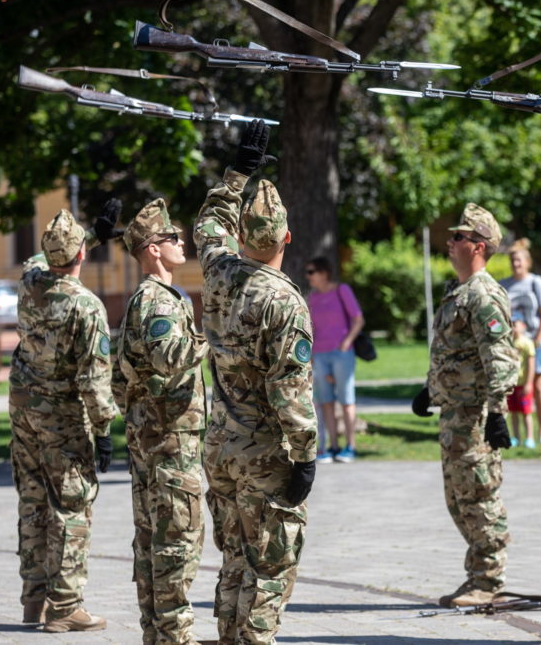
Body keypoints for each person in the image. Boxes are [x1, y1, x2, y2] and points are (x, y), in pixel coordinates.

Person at [195, 120, 317, 645]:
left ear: (242, 236)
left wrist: (238, 174)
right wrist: (306, 455)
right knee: (270, 566)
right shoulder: (285, 300)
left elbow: (207, 224)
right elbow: (291, 393)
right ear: (287, 237)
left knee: (235, 557)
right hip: (265, 451)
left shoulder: (219, 272)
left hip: (220, 444)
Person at [8, 203, 123, 632]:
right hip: (63, 418)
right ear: (81, 257)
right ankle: (66, 607)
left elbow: (41, 258)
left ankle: (33, 601)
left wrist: (90, 233)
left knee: (33, 502)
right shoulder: (87, 306)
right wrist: (104, 429)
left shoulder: (30, 283)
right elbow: (95, 378)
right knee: (72, 507)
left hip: (24, 413)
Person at [411, 203, 518, 608]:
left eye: (459, 236)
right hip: (455, 413)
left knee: (479, 495)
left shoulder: (485, 294)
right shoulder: (457, 291)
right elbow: (454, 354)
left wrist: (497, 413)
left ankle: (489, 580)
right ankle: (477, 574)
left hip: (476, 416)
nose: (450, 241)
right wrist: (430, 389)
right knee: (458, 498)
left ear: (479, 246)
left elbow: (500, 357)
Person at [117, 198, 209, 644]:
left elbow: (121, 382)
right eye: (173, 236)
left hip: (155, 440)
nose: (182, 240)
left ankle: (158, 636)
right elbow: (169, 356)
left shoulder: (155, 297)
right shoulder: (157, 300)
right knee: (176, 544)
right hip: (170, 441)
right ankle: (174, 637)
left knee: (155, 543)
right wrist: (214, 333)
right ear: (153, 248)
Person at [305, 256, 365, 463]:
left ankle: (350, 446)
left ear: (324, 273)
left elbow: (358, 318)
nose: (308, 276)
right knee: (325, 402)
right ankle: (333, 446)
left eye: (312, 272)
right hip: (319, 355)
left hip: (341, 354)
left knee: (347, 400)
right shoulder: (311, 298)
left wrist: (346, 342)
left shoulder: (342, 291)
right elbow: (310, 329)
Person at [499, 238, 541, 446]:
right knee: (512, 388)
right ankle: (514, 433)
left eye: (520, 260)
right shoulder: (504, 285)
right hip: (512, 347)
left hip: (534, 343)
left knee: (537, 385)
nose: (516, 264)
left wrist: (538, 339)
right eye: (513, 260)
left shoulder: (536, 282)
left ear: (527, 261)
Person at [508, 312, 536, 448]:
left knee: (526, 412)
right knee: (513, 412)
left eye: (515, 324)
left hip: (523, 384)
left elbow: (531, 364)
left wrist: (528, 383)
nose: (513, 328)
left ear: (523, 326)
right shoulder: (508, 343)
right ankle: (516, 437)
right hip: (511, 384)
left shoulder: (527, 343)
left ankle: (529, 438)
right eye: (510, 325)